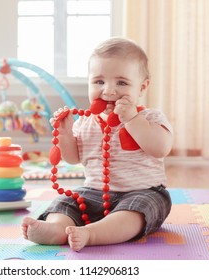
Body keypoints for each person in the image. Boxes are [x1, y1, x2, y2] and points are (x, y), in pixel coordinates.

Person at [21, 37, 173, 251]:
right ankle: (56, 229)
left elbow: (161, 148)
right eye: (99, 82)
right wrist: (65, 134)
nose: (109, 91)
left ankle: (92, 233)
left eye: (121, 83)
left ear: (142, 87)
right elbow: (73, 157)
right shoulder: (85, 121)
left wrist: (131, 120)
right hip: (93, 192)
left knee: (137, 210)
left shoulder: (150, 118)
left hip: (143, 191)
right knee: (66, 202)